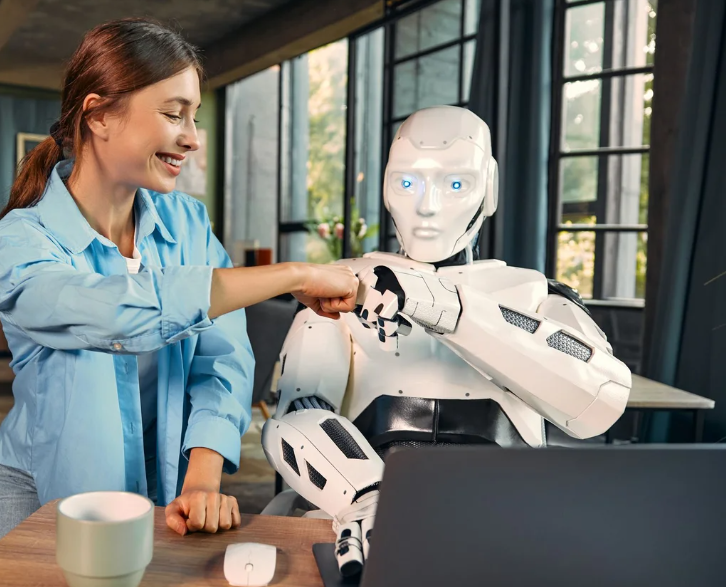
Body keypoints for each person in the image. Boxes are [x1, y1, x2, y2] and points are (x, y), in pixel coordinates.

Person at [0, 18, 358, 550]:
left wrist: (202, 477)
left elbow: (222, 356)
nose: (193, 138)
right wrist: (292, 274)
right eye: (174, 114)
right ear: (99, 114)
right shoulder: (16, 244)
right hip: (45, 499)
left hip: (168, 493)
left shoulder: (188, 224)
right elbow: (116, 313)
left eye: (195, 116)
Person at [260, 106, 632, 574]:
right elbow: (296, 417)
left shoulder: (530, 293)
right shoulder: (342, 287)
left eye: (455, 184)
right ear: (385, 186)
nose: (427, 207)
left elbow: (602, 398)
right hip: (362, 521)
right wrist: (373, 498)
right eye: (407, 183)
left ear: (488, 189)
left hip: (505, 523)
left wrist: (448, 307)